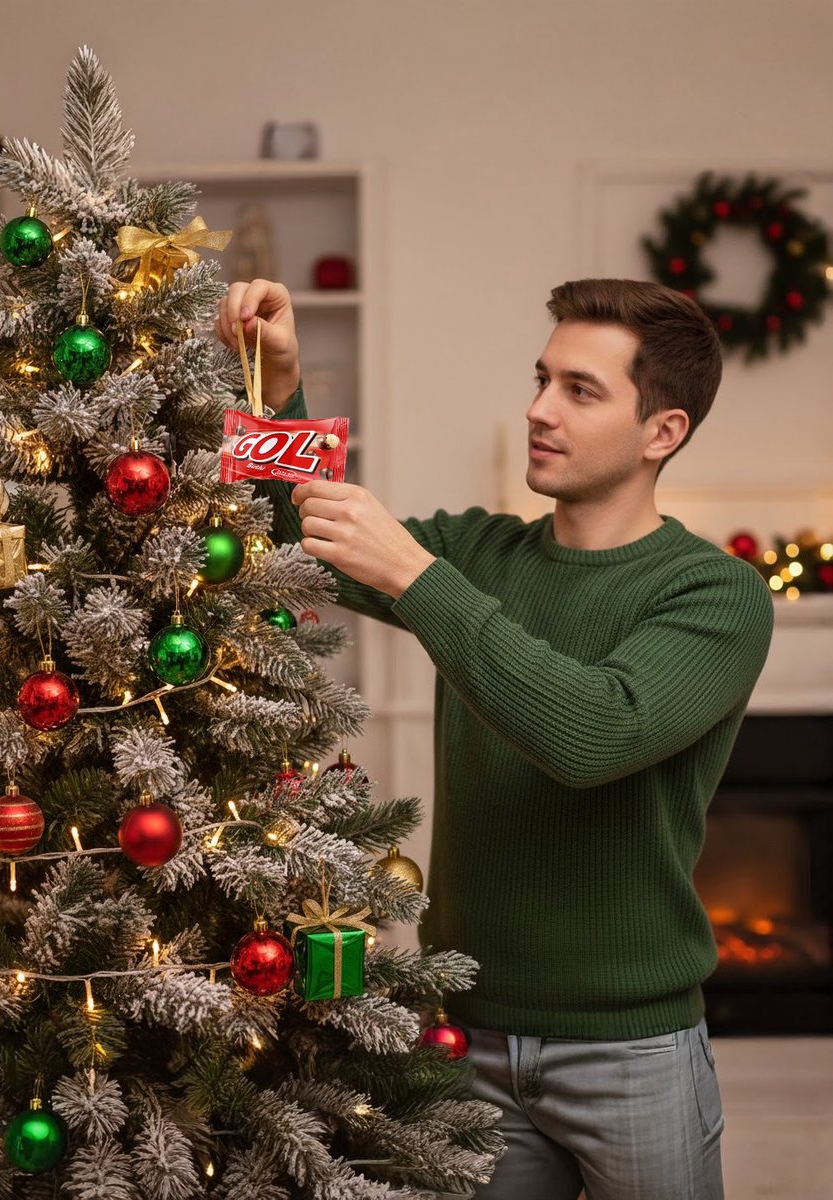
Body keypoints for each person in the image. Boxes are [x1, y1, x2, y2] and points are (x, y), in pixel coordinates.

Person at [216, 277, 774, 1200]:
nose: (538, 409)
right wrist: (277, 392)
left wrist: (418, 578)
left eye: (580, 391)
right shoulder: (482, 554)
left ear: (662, 433)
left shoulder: (715, 594)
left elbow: (595, 732)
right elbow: (289, 532)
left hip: (634, 1050)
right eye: (542, 379)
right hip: (461, 1032)